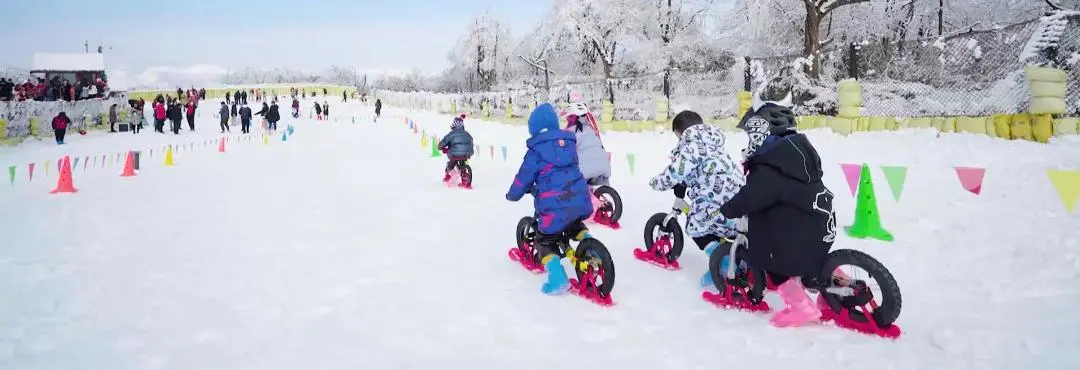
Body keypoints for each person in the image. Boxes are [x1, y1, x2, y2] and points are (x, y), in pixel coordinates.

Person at [717, 101, 836, 329]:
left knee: (772, 262)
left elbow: (752, 196)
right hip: (820, 225)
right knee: (814, 261)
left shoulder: (769, 167)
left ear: (761, 132)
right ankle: (840, 293)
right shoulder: (795, 156)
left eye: (750, 135)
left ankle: (801, 308)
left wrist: (729, 209)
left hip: (798, 235)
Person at [648, 110, 745, 288]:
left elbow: (676, 171)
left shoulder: (691, 146)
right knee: (723, 225)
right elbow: (702, 167)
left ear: (680, 133)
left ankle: (723, 264)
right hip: (738, 195)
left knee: (695, 226)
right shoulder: (714, 143)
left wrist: (657, 182)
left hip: (714, 198)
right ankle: (735, 257)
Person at [505, 103, 594, 295]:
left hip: (554, 207)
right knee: (573, 222)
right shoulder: (569, 144)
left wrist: (513, 195)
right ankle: (590, 244)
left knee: (544, 240)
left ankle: (557, 278)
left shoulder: (535, 152)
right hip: (580, 198)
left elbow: (523, 179)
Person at [563, 100, 611, 186]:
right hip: (603, 165)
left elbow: (565, 152)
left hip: (585, 170)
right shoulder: (591, 129)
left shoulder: (569, 132)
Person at [438, 114, 474, 186]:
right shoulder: (467, 134)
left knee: (452, 162)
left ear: (454, 125)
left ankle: (449, 173)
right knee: (463, 160)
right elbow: (471, 141)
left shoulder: (451, 134)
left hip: (454, 154)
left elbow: (443, 143)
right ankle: (465, 178)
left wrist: (440, 147)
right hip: (467, 153)